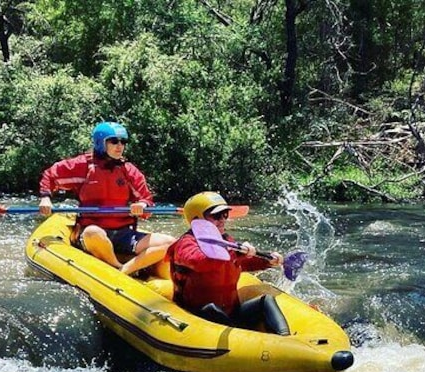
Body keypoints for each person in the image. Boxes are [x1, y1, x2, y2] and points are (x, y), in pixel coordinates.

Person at [38, 121, 174, 277]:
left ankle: (124, 270)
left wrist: (142, 205)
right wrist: (46, 198)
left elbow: (146, 200)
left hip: (123, 234)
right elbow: (50, 175)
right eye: (114, 141)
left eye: (123, 142)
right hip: (92, 232)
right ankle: (117, 266)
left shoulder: (129, 170)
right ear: (100, 142)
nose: (120, 146)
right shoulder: (83, 165)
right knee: (93, 233)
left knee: (169, 242)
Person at [167, 191, 291, 335]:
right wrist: (235, 252)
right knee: (211, 309)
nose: (222, 220)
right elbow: (200, 262)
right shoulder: (185, 244)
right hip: (198, 315)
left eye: (225, 214)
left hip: (231, 313)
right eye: (216, 216)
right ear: (197, 219)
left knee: (266, 301)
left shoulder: (226, 240)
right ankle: (239, 342)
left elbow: (242, 263)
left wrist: (268, 261)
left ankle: (285, 337)